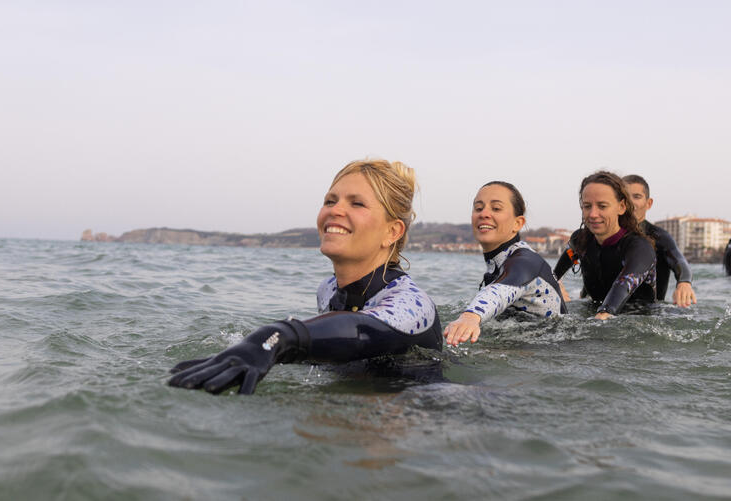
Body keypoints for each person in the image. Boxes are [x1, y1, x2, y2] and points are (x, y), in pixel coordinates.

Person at [168, 159, 442, 394]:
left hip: (423, 421)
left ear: (392, 232)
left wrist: (279, 336)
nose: (335, 210)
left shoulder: (411, 303)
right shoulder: (328, 289)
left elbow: (362, 330)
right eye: (329, 201)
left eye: (357, 203)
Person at [444, 181, 567, 345]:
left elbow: (502, 289)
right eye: (478, 208)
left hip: (551, 349)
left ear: (518, 223)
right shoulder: (500, 261)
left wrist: (470, 316)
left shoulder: (525, 261)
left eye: (496, 208)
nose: (484, 214)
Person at [554, 171, 656, 320]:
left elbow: (625, 283)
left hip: (640, 325)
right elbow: (558, 272)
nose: (593, 214)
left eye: (602, 206)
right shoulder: (580, 242)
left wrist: (604, 313)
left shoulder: (639, 248)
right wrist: (555, 286)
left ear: (621, 207)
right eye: (587, 206)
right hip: (594, 312)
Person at [622, 174, 696, 307]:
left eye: (636, 196)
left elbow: (679, 261)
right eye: (625, 196)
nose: (630, 202)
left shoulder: (660, 237)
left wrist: (684, 283)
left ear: (648, 203)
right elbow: (572, 254)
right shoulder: (606, 235)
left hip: (649, 313)